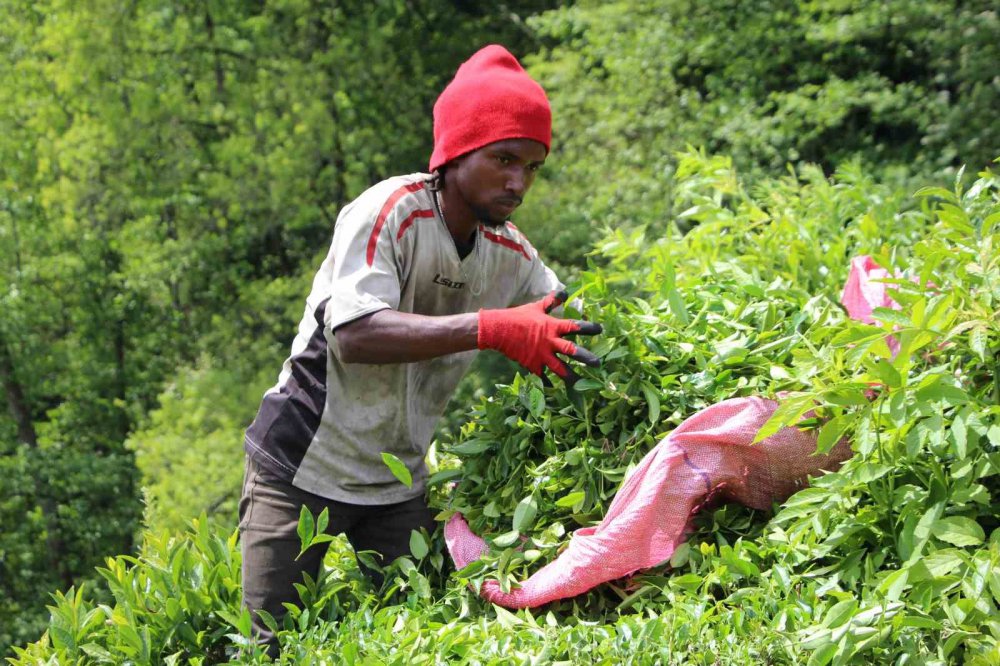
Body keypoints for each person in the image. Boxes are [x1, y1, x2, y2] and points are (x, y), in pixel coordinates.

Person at [238, 44, 601, 656]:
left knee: (430, 639)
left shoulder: (510, 252)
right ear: (458, 152)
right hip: (301, 465)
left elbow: (572, 325)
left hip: (398, 482)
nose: (518, 181)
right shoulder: (390, 213)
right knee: (275, 647)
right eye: (504, 158)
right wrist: (489, 327)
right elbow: (354, 335)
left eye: (533, 166)